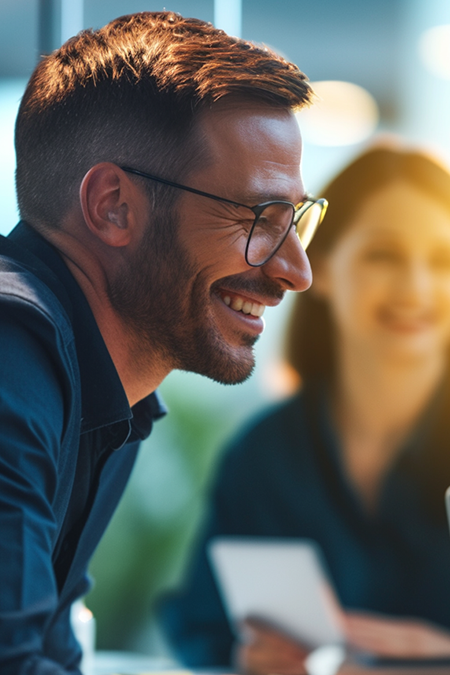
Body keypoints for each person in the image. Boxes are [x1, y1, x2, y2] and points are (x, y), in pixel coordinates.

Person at [0, 11, 327, 675]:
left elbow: (49, 650)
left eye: (296, 220)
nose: (297, 269)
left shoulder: (103, 390)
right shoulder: (13, 363)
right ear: (113, 205)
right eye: (259, 217)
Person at [159, 143, 450, 673]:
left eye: (443, 260)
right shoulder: (264, 457)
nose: (417, 287)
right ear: (322, 271)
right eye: (384, 255)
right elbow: (201, 625)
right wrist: (243, 657)